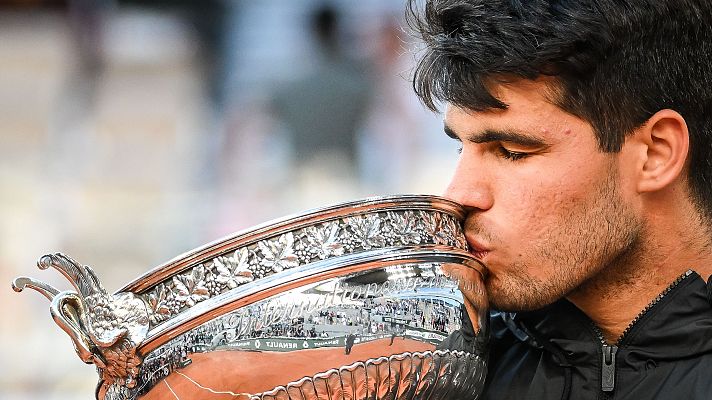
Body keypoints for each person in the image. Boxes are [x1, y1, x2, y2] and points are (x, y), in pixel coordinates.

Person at [407, 0, 712, 399]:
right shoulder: (435, 371)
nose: (459, 195)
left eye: (512, 150)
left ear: (656, 153)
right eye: (460, 148)